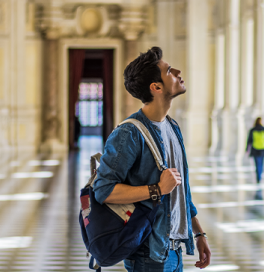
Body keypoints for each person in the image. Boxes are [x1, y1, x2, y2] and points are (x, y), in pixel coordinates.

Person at [92, 47, 212, 272]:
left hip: (174, 250)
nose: (176, 71)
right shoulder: (129, 133)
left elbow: (181, 191)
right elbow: (104, 191)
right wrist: (156, 189)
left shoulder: (173, 127)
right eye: (168, 71)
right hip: (148, 253)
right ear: (156, 87)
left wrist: (198, 232)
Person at [246, 117, 264, 183]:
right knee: (261, 164)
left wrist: (247, 149)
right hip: (263, 149)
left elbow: (249, 140)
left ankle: (258, 176)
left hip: (255, 149)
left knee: (257, 164)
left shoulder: (252, 130)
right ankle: (260, 176)